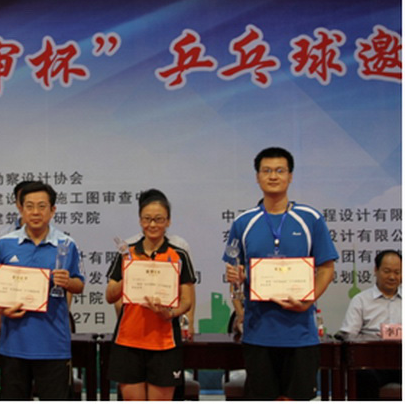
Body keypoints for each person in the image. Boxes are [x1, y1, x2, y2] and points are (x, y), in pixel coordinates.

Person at [224, 147, 338, 400]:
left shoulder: (311, 219)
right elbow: (233, 272)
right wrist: (237, 279)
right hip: (258, 333)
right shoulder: (243, 223)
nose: (273, 176)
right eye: (266, 171)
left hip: (300, 334)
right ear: (257, 176)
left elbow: (327, 268)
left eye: (279, 170)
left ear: (290, 176)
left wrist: (308, 299)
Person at [0, 181, 85, 400]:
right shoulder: (5, 243)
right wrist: (1, 308)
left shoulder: (66, 244)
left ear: (53, 210)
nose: (35, 212)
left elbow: (79, 284)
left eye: (42, 206)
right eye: (29, 206)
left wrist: (68, 282)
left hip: (53, 343)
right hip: (14, 341)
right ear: (21, 209)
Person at [105, 189, 196, 400]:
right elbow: (110, 295)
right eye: (147, 219)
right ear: (140, 221)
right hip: (128, 340)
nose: (152, 224)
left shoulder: (178, 254)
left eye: (159, 219)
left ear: (168, 221)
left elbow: (187, 301)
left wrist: (170, 313)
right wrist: (129, 275)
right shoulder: (127, 253)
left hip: (165, 341)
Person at [339, 249, 401, 399]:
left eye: (397, 272)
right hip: (373, 362)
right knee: (363, 376)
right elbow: (349, 335)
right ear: (376, 270)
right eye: (387, 271)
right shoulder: (361, 300)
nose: (392, 277)